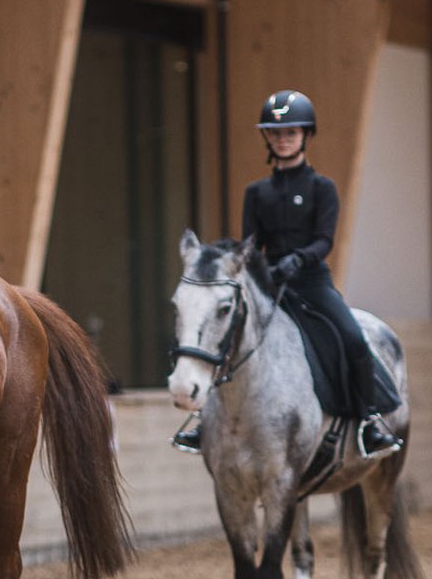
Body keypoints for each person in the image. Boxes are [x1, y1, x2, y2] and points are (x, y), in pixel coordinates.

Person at [171, 90, 401, 461]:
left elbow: (325, 239)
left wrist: (298, 260)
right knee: (224, 339)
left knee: (352, 340)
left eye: (290, 133)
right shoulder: (256, 191)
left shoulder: (322, 188)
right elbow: (251, 243)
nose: (283, 139)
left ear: (305, 135)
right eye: (276, 134)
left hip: (311, 282)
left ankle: (368, 420)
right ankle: (203, 422)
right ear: (268, 139)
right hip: (269, 284)